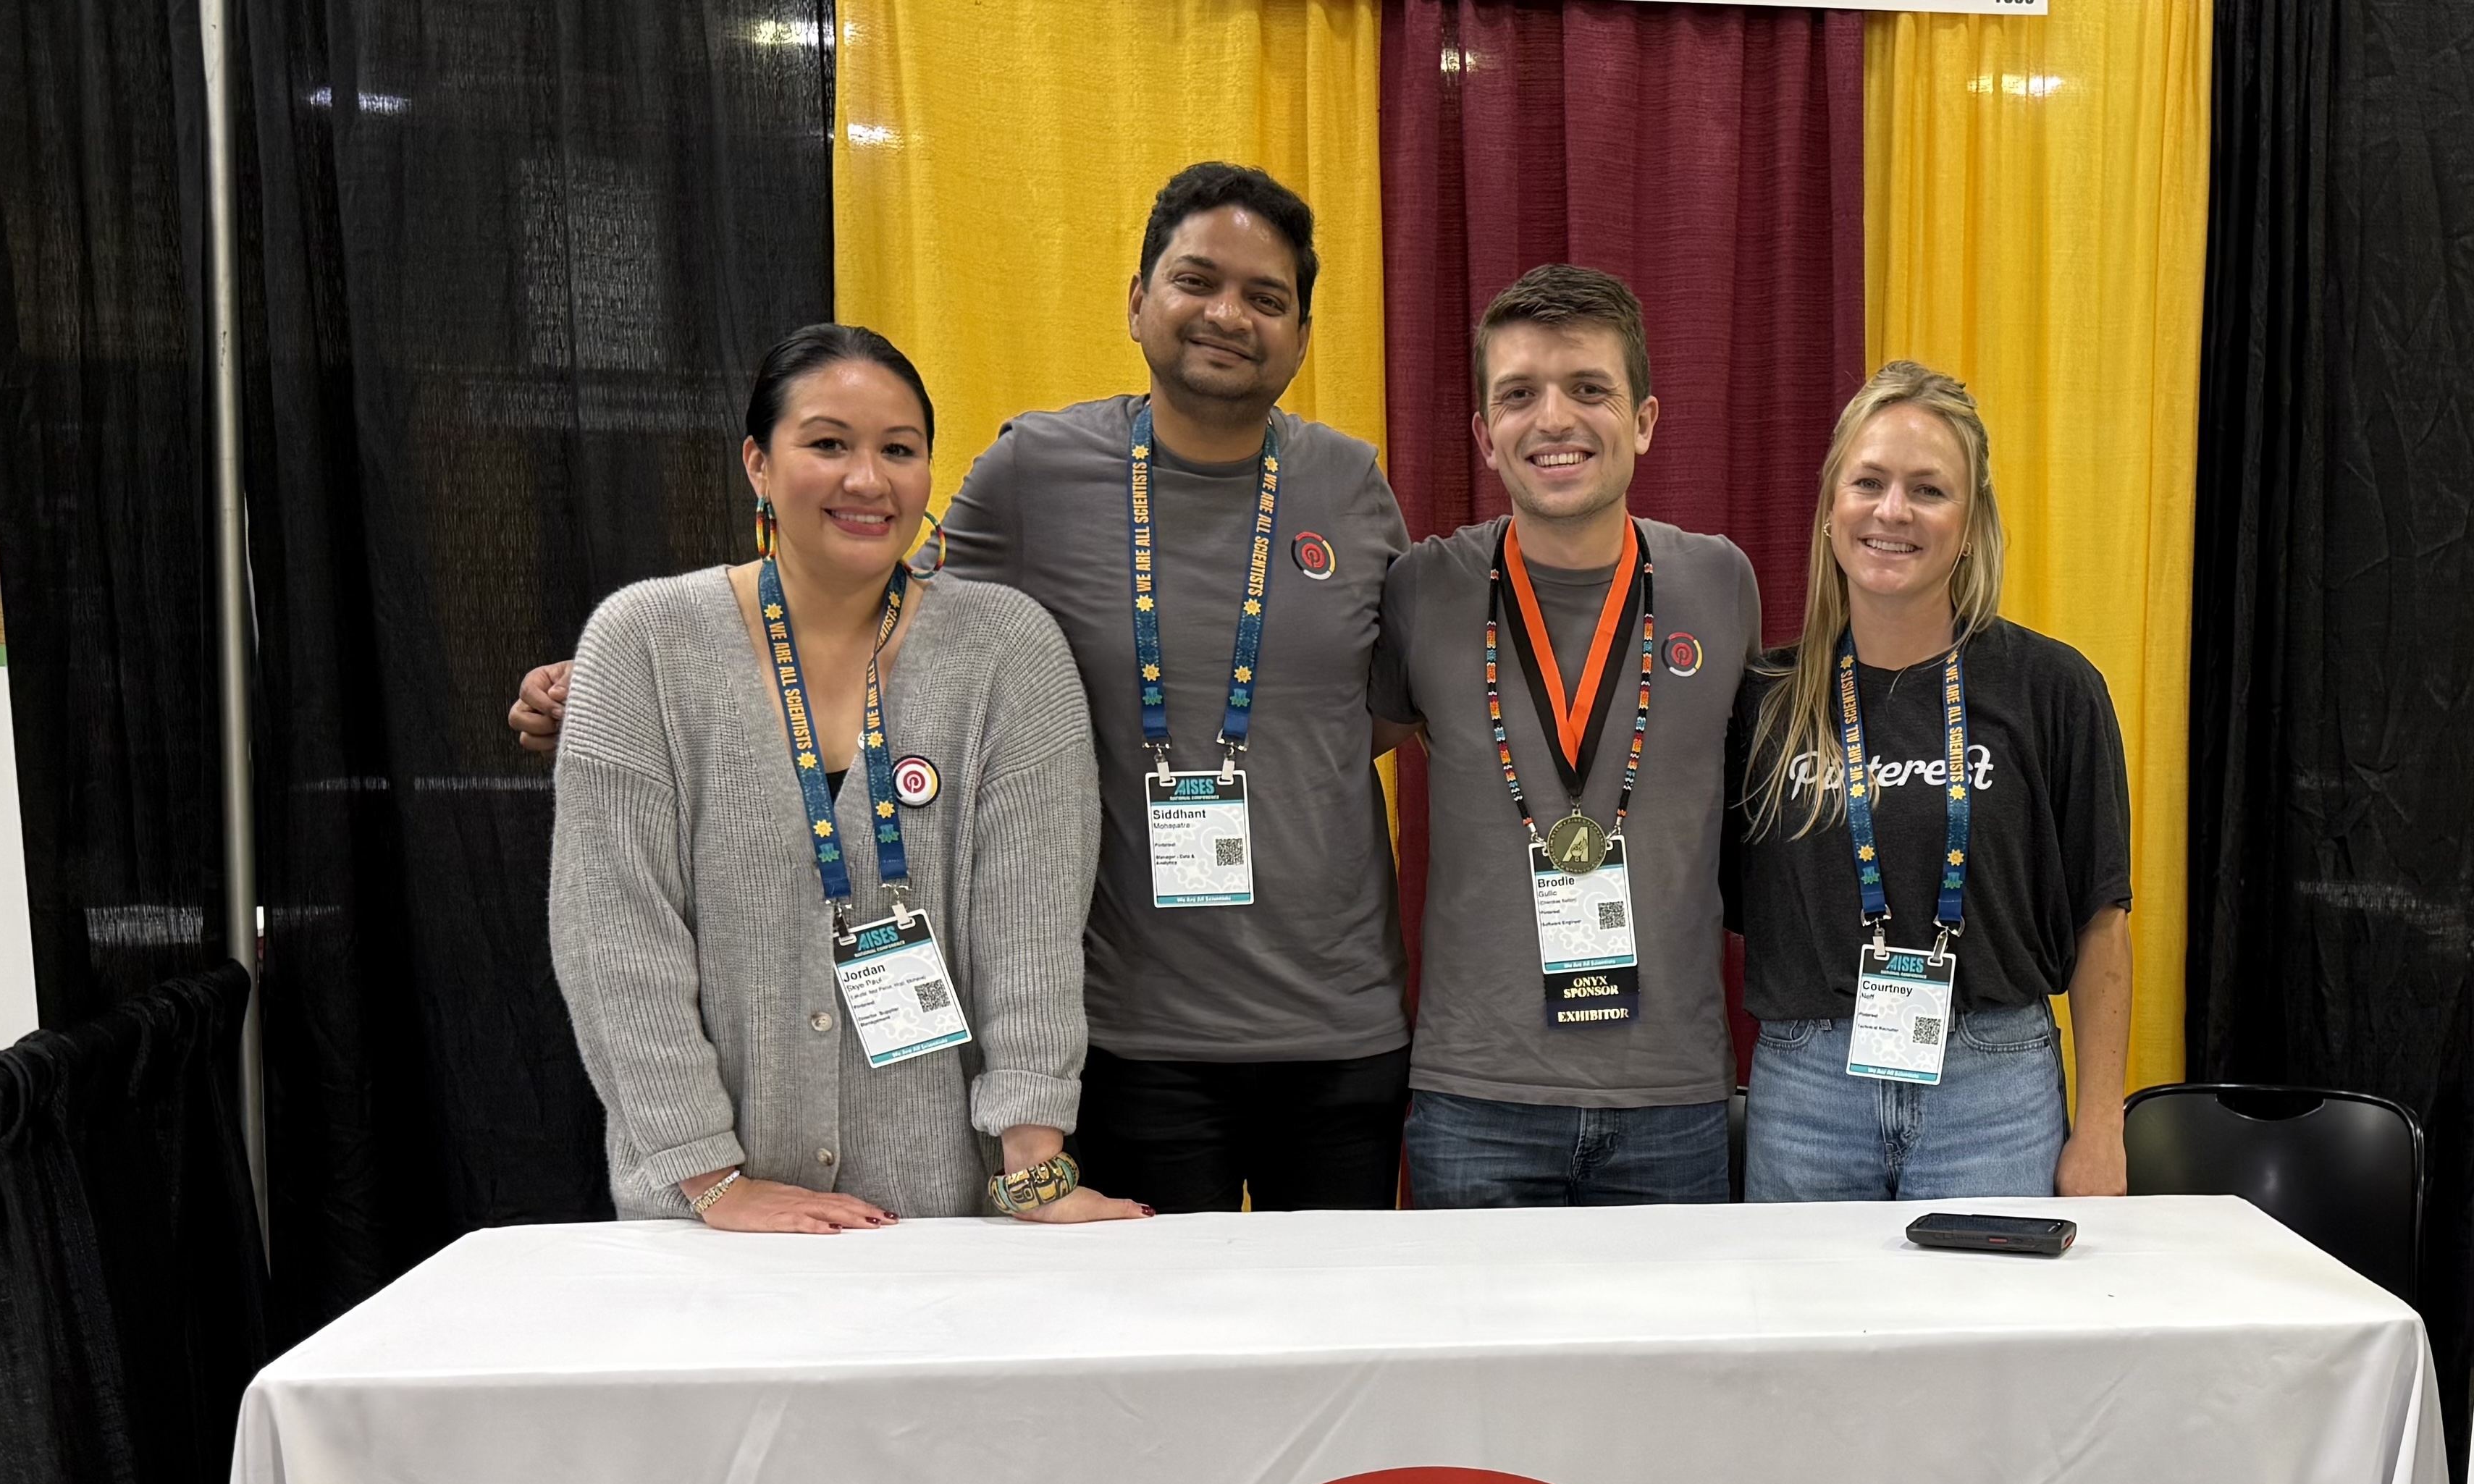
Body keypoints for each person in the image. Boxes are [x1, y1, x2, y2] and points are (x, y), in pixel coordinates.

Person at [523, 164, 1413, 1215]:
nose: (1228, 314)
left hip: (1340, 1019)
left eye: (1266, 297)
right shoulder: (1037, 470)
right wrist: (635, 685)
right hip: (1134, 1028)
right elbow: (868, 573)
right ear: (1137, 299)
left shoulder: (1351, 485)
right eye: (1196, 280)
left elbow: (1398, 702)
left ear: (1305, 335)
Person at [548, 324, 1137, 1231]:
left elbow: (1030, 936)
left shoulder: (1009, 653)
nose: (868, 480)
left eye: (899, 450)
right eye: (828, 444)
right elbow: (615, 944)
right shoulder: (644, 645)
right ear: (758, 463)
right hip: (703, 1231)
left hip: (938, 1221)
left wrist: (1034, 1173)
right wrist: (713, 1183)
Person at [1370, 265, 1760, 1205]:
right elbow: (1317, 766)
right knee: (1479, 1359)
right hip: (1476, 1098)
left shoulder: (1720, 585)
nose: (1554, 419)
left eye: (1589, 389)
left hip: (1674, 1098)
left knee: (1673, 1360)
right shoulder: (1422, 591)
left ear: (1645, 421)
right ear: (1484, 436)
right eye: (1518, 394)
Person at [1723, 361, 2132, 1202]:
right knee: (1813, 1336)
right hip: (1809, 1089)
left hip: (1995, 1090)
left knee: (1984, 1336)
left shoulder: (2052, 690)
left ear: (1972, 520)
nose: (1893, 511)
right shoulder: (1764, 701)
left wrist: (2100, 1131)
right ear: (1832, 510)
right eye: (1868, 482)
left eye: (1928, 489)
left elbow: (2102, 925)